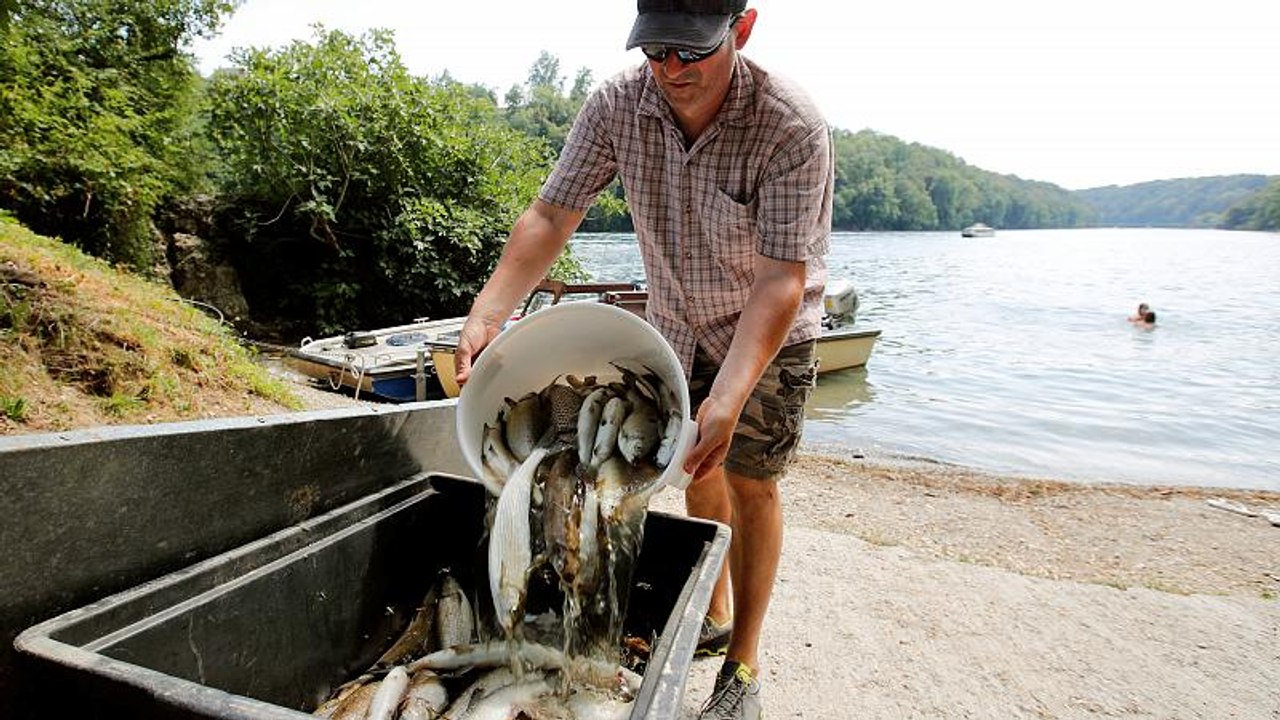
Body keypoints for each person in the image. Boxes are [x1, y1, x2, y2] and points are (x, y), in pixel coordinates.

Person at [453, 2, 832, 718]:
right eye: (655, 51)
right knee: (695, 472)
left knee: (750, 479)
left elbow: (780, 279)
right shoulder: (618, 104)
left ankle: (744, 665)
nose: (670, 71)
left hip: (769, 329)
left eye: (691, 53)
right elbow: (551, 216)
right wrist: (488, 312)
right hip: (672, 325)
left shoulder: (791, 125)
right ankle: (711, 611)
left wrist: (730, 393)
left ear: (741, 29)